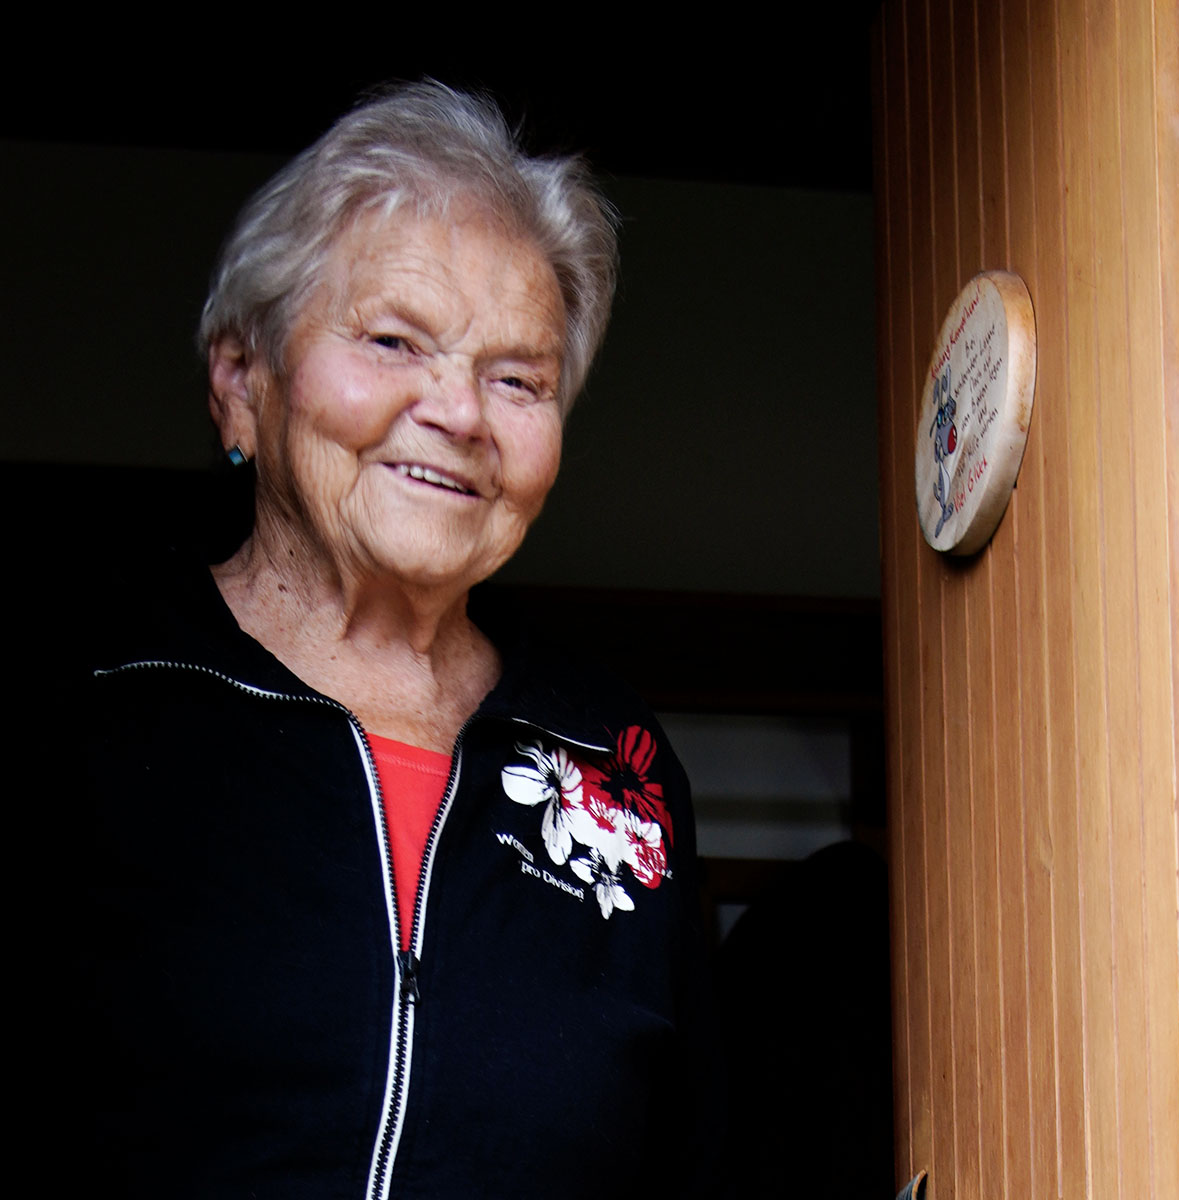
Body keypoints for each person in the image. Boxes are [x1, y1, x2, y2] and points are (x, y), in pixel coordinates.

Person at [78, 83, 715, 1197]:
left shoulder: (617, 761)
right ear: (242, 382)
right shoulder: (98, 707)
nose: (460, 413)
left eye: (517, 378)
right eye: (392, 341)